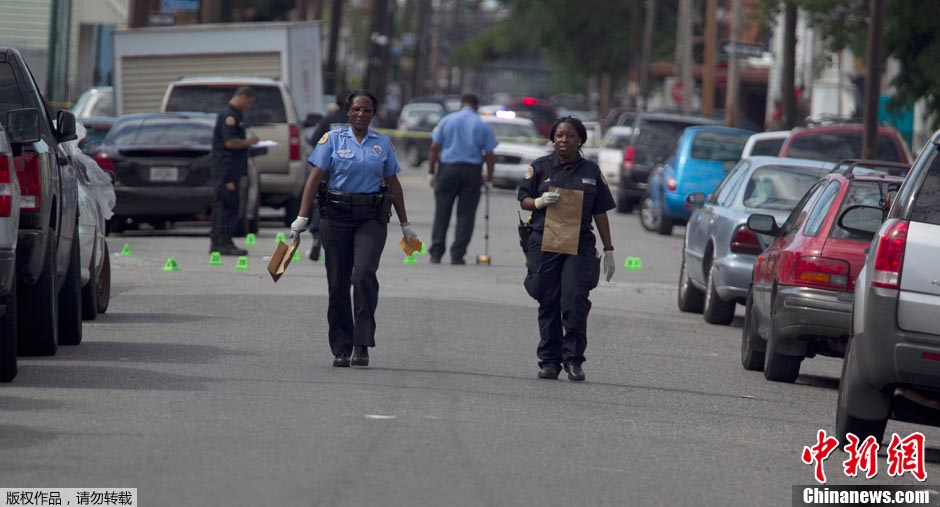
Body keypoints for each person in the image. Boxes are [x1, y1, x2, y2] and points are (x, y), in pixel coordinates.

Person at [290, 90, 417, 368]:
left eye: (367, 110)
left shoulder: (381, 144)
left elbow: (393, 185)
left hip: (370, 218)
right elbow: (314, 179)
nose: (361, 115)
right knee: (337, 283)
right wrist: (301, 219)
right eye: (356, 110)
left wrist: (405, 225)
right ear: (348, 112)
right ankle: (341, 347)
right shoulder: (332, 140)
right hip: (335, 217)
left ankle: (362, 343)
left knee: (362, 275)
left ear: (373, 114)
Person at [517, 116, 617, 382]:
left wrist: (609, 249)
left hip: (579, 242)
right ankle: (549, 361)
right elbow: (523, 199)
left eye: (569, 136)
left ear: (580, 140)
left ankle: (573, 360)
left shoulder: (591, 172)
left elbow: (601, 212)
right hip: (544, 239)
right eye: (559, 135)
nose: (563, 140)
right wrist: (537, 202)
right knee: (547, 299)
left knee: (574, 299)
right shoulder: (539, 167)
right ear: (553, 138)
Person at [427, 93, 497, 265]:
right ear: (476, 106)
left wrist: (431, 171)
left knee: (442, 212)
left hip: (448, 170)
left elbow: (435, 147)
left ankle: (436, 252)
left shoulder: (447, 120)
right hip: (471, 172)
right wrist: (488, 177)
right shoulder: (482, 124)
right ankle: (457, 254)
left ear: (461, 104)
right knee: (466, 214)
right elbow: (489, 154)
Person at [210, 86, 259, 255]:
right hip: (227, 169)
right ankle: (223, 242)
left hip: (231, 169)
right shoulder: (229, 116)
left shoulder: (235, 114)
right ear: (242, 97)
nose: (249, 106)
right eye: (249, 102)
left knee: (225, 204)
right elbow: (230, 142)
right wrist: (249, 142)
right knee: (227, 205)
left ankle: (219, 242)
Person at [305, 91, 350, 261]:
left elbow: (314, 141)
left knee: (322, 201)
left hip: (327, 167)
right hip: (349, 168)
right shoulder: (355, 120)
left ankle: (317, 235)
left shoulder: (328, 119)